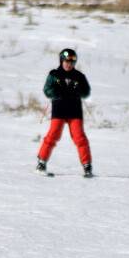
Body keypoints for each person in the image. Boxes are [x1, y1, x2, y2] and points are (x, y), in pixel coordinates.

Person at [37, 48, 93, 177]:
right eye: (66, 62)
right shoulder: (54, 75)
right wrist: (55, 93)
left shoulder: (79, 76)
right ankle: (41, 162)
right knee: (53, 135)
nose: (69, 64)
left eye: (72, 62)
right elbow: (46, 90)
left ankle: (87, 166)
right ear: (61, 61)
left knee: (80, 137)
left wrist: (80, 90)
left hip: (74, 111)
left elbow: (86, 92)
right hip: (59, 110)